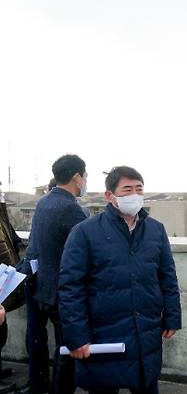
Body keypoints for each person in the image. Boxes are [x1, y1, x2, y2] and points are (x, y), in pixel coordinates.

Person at [59, 166, 181, 394]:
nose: (134, 195)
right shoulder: (85, 232)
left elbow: (167, 276)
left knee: (146, 384)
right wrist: (76, 336)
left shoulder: (155, 230)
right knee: (104, 386)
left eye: (139, 189)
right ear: (110, 195)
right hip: (103, 333)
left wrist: (172, 317)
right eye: (127, 189)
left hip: (146, 330)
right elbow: (70, 288)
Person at [20, 154, 89, 394]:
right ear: (77, 177)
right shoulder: (72, 209)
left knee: (37, 344)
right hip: (61, 292)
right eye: (85, 176)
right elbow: (88, 249)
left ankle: (38, 385)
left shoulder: (44, 202)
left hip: (38, 285)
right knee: (66, 349)